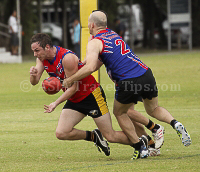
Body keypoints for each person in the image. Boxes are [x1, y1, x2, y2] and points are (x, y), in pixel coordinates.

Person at [63, 10, 191, 153]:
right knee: (153, 109)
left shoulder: (95, 42)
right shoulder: (113, 34)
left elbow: (91, 67)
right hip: (146, 73)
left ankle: (140, 147)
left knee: (120, 113)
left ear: (92, 24)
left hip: (128, 80)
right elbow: (98, 62)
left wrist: (70, 79)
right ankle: (175, 123)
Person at [29, 33, 160, 160]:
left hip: (91, 95)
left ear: (47, 47)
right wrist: (33, 75)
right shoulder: (41, 59)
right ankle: (94, 136)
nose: (35, 54)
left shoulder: (66, 58)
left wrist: (55, 103)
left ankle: (142, 141)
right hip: (74, 99)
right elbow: (34, 82)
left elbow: (73, 87)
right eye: (34, 51)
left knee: (111, 136)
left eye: (37, 50)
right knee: (61, 133)